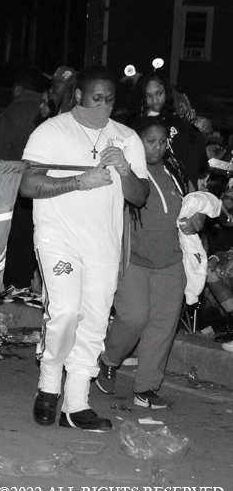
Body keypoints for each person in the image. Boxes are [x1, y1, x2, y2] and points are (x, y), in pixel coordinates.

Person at [20, 65, 149, 431]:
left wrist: (124, 170)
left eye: (110, 100)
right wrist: (79, 181)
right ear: (79, 96)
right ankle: (48, 385)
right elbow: (28, 185)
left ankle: (76, 404)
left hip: (103, 246)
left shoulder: (126, 138)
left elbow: (139, 197)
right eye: (96, 98)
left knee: (93, 321)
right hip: (58, 238)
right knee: (65, 312)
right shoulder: (52, 131)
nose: (104, 105)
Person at [96, 117, 202, 409]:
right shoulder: (126, 171)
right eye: (150, 141)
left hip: (171, 262)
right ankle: (108, 359)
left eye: (162, 141)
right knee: (133, 317)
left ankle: (146, 388)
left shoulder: (176, 170)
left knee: (162, 327)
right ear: (135, 143)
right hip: (134, 260)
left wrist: (198, 219)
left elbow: (198, 203)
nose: (158, 148)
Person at [0, 67, 51, 296]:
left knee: (16, 237)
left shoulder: (11, 115)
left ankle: (16, 284)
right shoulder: (54, 114)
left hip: (15, 188)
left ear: (18, 88)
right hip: (48, 189)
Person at [128, 72, 207, 187]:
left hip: (182, 186)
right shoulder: (136, 127)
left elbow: (196, 158)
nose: (155, 100)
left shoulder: (180, 124)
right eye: (148, 96)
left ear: (166, 92)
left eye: (159, 93)